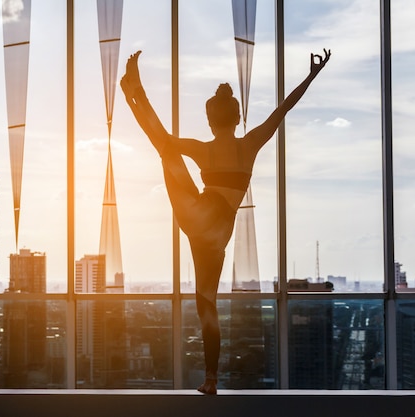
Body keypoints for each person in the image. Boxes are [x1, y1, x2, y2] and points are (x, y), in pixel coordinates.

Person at [121, 49, 331, 394]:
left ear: (209, 120)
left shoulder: (203, 149)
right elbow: (283, 110)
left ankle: (134, 92)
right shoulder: (249, 145)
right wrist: (311, 75)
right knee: (207, 302)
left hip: (195, 213)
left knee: (166, 148)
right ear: (236, 119)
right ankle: (211, 379)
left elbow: (161, 138)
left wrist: (138, 98)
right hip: (217, 234)